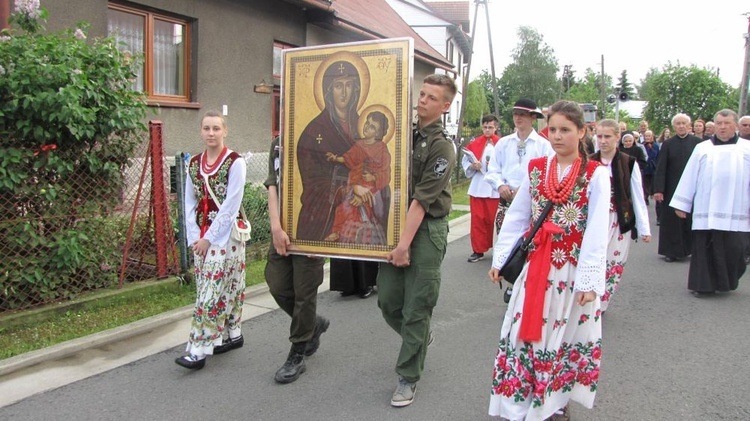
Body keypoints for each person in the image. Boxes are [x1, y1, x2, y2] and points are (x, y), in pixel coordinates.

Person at [488, 100, 610, 421]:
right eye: (553, 129)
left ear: (582, 132)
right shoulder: (538, 168)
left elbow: (597, 232)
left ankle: (554, 403)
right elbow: (518, 216)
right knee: (522, 334)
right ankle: (521, 399)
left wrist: (589, 282)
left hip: (570, 273)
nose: (557, 136)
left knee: (561, 337)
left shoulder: (596, 175)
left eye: (565, 130)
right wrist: (500, 259)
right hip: (536, 268)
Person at [377, 74, 456, 408]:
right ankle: (421, 338)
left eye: (431, 97)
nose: (422, 101)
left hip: (425, 231)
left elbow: (422, 200)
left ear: (445, 106)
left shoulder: (442, 146)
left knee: (417, 307)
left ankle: (407, 377)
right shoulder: (401, 135)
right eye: (421, 94)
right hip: (396, 224)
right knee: (388, 301)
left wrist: (404, 245)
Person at [176, 111, 248, 370]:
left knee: (223, 287)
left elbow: (231, 204)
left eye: (216, 128)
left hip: (226, 235)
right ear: (201, 131)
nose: (211, 133)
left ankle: (198, 349)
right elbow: (189, 201)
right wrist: (195, 237)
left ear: (225, 131)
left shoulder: (235, 162)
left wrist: (209, 238)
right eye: (206, 128)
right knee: (210, 287)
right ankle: (232, 334)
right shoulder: (194, 164)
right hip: (202, 237)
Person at [264, 136, 330, 384]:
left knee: (304, 293)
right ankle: (313, 323)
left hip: (313, 226)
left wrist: (321, 237)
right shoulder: (278, 142)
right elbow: (273, 186)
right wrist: (275, 228)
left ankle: (297, 354)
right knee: (277, 284)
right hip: (283, 227)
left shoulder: (321, 137)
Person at [670, 109, 750, 296]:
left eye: (727, 123)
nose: (722, 127)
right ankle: (703, 286)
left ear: (735, 125)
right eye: (719, 123)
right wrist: (682, 203)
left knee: (735, 250)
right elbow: (690, 175)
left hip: (737, 208)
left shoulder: (747, 148)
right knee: (704, 248)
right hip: (707, 208)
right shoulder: (703, 148)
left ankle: (727, 280)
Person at [485, 98, 553, 304]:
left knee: (529, 243)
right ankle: (510, 281)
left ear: (533, 117)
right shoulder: (504, 143)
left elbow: (548, 173)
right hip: (507, 202)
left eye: (523, 114)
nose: (518, 117)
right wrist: (500, 186)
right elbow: (493, 170)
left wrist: (527, 191)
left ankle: (525, 282)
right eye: (515, 113)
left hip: (532, 204)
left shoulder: (543, 145)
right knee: (507, 241)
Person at [592, 119, 651, 312]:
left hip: (618, 219)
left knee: (612, 262)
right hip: (593, 220)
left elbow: (637, 195)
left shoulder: (628, 162)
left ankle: (602, 303)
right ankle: (589, 301)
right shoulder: (589, 161)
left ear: (617, 137)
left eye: (607, 136)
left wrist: (644, 228)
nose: (603, 141)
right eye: (599, 136)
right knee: (593, 260)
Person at [324, 110, 392, 245]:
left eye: (372, 127)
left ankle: (359, 234)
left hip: (374, 186)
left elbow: (386, 172)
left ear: (378, 133)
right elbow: (350, 157)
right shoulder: (360, 145)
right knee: (342, 208)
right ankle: (337, 231)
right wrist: (336, 158)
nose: (367, 127)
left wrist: (373, 177)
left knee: (360, 206)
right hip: (357, 180)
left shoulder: (382, 149)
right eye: (367, 123)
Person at [653, 113, 703, 262]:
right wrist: (658, 189)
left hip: (693, 186)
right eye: (678, 124)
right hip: (671, 186)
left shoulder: (697, 143)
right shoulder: (668, 144)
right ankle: (671, 251)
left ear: (689, 126)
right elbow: (661, 167)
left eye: (684, 123)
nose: (681, 126)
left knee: (690, 219)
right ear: (674, 126)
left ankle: (690, 249)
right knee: (671, 220)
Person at [462, 114, 501, 263]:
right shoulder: (475, 143)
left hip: (495, 188)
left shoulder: (502, 144)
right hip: (479, 186)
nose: (487, 130)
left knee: (496, 220)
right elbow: (466, 160)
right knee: (478, 220)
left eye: (490, 127)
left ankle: (499, 251)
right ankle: (478, 250)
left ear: (495, 127)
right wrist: (473, 166)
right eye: (485, 127)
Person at [642, 130, 660, 205]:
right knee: (644, 183)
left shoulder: (655, 145)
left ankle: (651, 194)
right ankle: (645, 197)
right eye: (646, 136)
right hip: (645, 167)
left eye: (649, 136)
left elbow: (655, 155)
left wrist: (651, 148)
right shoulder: (642, 145)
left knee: (652, 183)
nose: (647, 137)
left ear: (652, 136)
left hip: (653, 167)